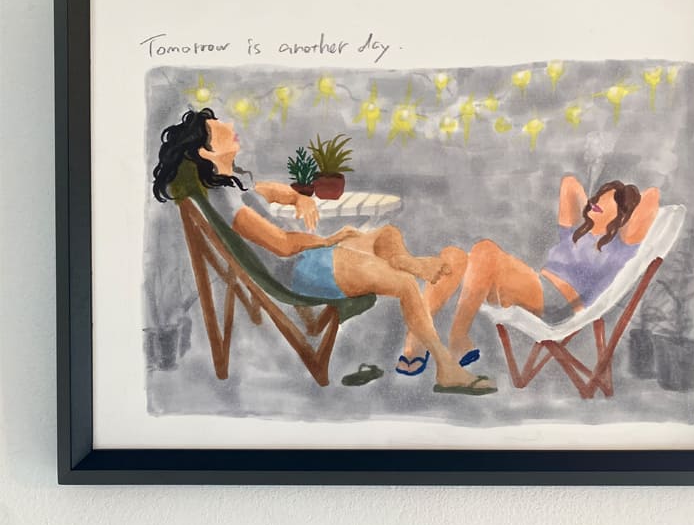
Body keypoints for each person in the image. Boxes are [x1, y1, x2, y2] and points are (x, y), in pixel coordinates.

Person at [152, 107, 496, 395]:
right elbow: (281, 245)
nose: (229, 126)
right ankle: (446, 369)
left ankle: (405, 261)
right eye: (219, 130)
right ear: (207, 153)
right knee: (404, 284)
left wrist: (299, 198)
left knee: (387, 234)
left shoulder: (233, 184)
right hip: (299, 271)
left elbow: (274, 191)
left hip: (309, 260)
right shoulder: (226, 200)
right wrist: (329, 239)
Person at [396, 175, 660, 373]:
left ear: (624, 215)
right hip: (536, 288)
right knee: (452, 257)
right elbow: (569, 183)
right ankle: (416, 338)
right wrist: (599, 196)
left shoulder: (620, 247)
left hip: (560, 303)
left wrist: (625, 197)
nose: (597, 201)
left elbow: (652, 196)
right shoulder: (576, 232)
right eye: (598, 197)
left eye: (606, 200)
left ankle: (458, 339)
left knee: (485, 250)